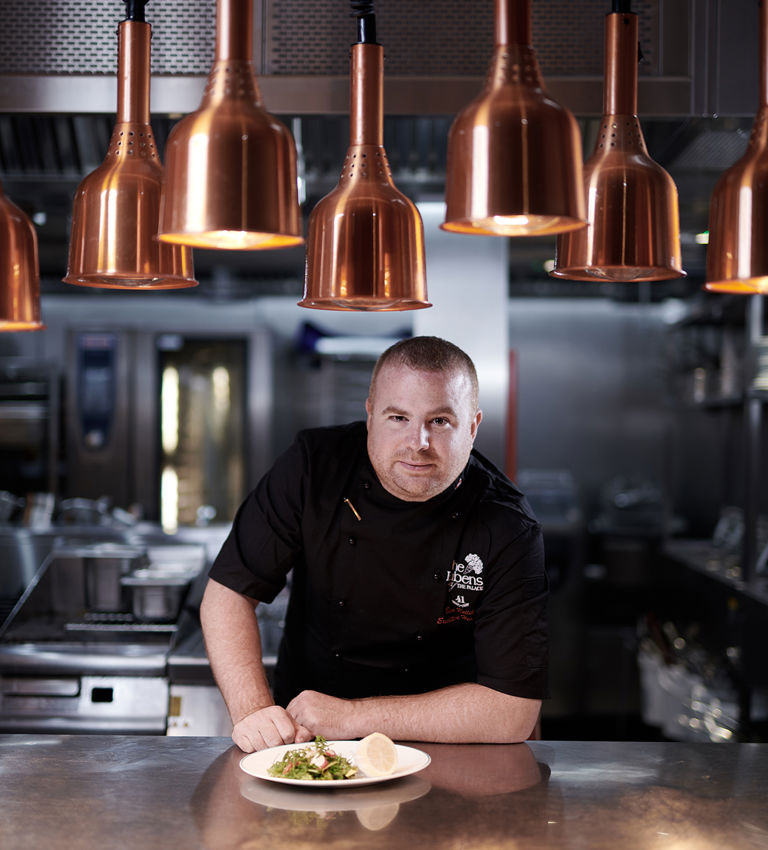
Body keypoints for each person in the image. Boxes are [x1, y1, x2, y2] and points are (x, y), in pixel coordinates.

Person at [200, 336, 548, 753]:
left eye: (440, 421)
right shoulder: (315, 467)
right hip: (310, 741)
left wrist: (353, 717)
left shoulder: (507, 524)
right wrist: (254, 711)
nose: (418, 442)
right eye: (398, 417)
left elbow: (512, 711)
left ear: (472, 427)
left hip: (449, 745)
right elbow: (228, 593)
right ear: (369, 415)